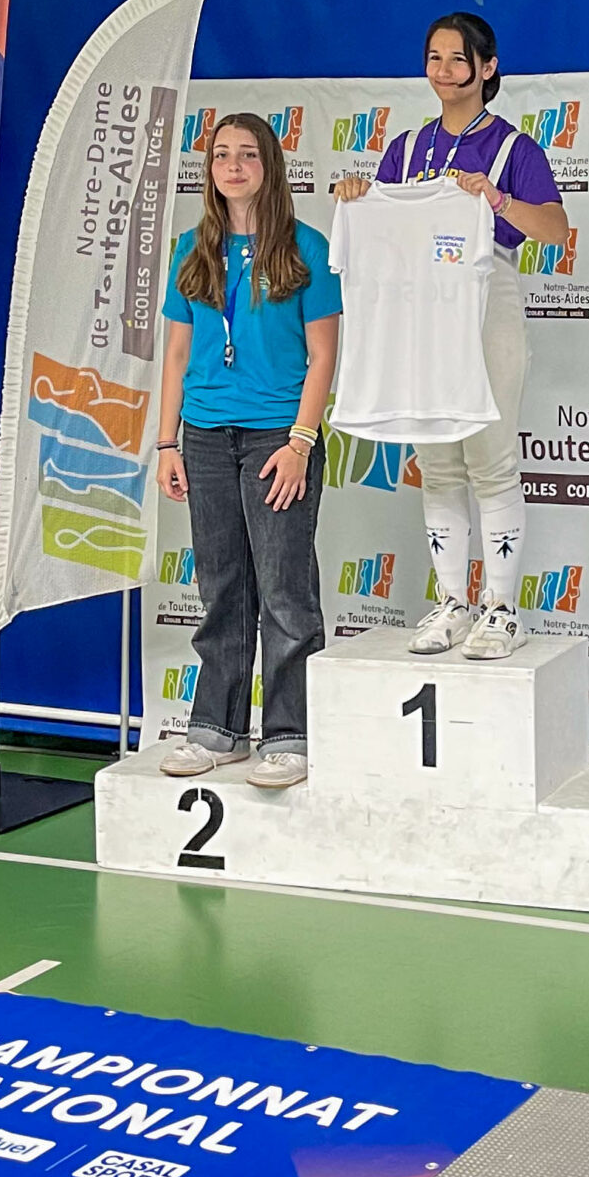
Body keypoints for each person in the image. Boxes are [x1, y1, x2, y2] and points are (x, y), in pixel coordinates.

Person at [331, 12, 568, 659]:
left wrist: (496, 199)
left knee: (491, 461)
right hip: (421, 312)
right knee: (436, 463)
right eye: (433, 57)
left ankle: (502, 609)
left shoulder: (513, 148)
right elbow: (382, 232)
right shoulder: (406, 149)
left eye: (457, 58)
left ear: (487, 67)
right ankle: (452, 603)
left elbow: (555, 230)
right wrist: (357, 195)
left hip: (487, 302)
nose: (442, 70)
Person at [157, 113, 340, 788]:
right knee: (221, 587)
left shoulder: (306, 247)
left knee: (285, 591)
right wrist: (167, 441)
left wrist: (300, 443)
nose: (233, 166)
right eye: (221, 155)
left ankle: (290, 734)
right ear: (209, 170)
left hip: (276, 438)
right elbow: (177, 353)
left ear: (270, 166)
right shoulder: (191, 249)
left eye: (248, 155)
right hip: (205, 436)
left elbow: (323, 355)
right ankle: (218, 729)